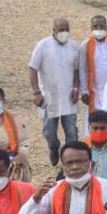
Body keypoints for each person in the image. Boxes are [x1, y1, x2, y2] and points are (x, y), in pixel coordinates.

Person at [29, 18, 81, 166]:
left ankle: (71, 160)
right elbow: (33, 68)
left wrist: (76, 88)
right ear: (53, 30)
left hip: (69, 96)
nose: (64, 32)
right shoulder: (42, 46)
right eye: (60, 29)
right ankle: (54, 147)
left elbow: (77, 70)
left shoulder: (74, 47)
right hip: (49, 96)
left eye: (66, 29)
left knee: (71, 131)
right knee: (49, 132)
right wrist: (36, 92)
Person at [79, 15, 107, 135]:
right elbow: (83, 69)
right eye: (95, 26)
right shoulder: (85, 45)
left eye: (101, 26)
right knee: (95, 121)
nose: (98, 28)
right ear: (90, 28)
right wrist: (84, 91)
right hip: (94, 91)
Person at [86, 110, 107, 179]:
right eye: (95, 128)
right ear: (89, 128)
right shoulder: (82, 150)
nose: (99, 131)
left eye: (102, 128)